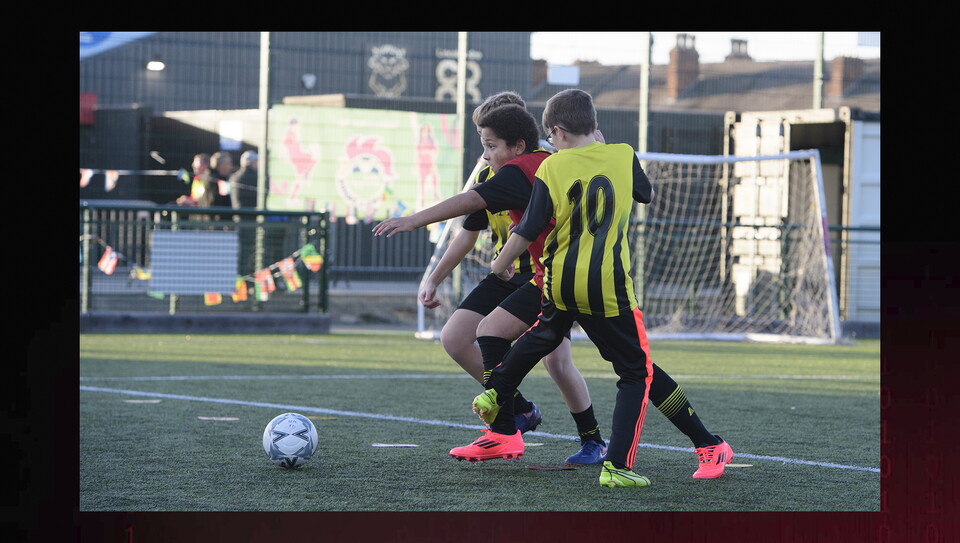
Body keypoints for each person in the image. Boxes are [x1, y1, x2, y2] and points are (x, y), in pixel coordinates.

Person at [457, 88, 734, 488]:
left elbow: (529, 227)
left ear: (556, 131)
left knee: (544, 335)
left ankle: (496, 392)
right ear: (594, 125)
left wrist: (499, 263)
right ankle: (641, 459)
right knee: (638, 372)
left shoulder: (552, 167)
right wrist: (604, 146)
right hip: (606, 285)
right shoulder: (622, 154)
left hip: (559, 280)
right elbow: (646, 193)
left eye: (550, 138)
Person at [375, 93, 607, 464]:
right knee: (455, 337)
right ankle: (516, 413)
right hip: (510, 271)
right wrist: (435, 277)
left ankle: (579, 438)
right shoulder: (501, 171)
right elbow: (469, 229)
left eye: (490, 145)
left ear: (517, 144)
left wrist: (413, 220)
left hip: (547, 277)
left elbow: (468, 204)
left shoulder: (532, 168)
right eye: (483, 145)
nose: (484, 154)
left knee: (556, 361)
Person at [230, 150, 262, 274]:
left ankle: (241, 278)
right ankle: (248, 279)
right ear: (253, 163)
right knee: (250, 251)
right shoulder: (256, 178)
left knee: (242, 250)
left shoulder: (234, 177)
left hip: (238, 220)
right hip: (252, 221)